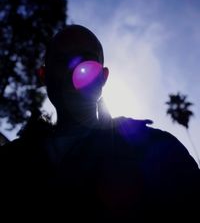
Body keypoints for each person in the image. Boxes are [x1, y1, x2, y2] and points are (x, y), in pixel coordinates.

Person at [0, 24, 199, 222]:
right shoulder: (11, 161)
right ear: (44, 75)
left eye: (87, 60)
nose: (74, 71)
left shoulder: (154, 146)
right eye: (61, 60)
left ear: (103, 78)